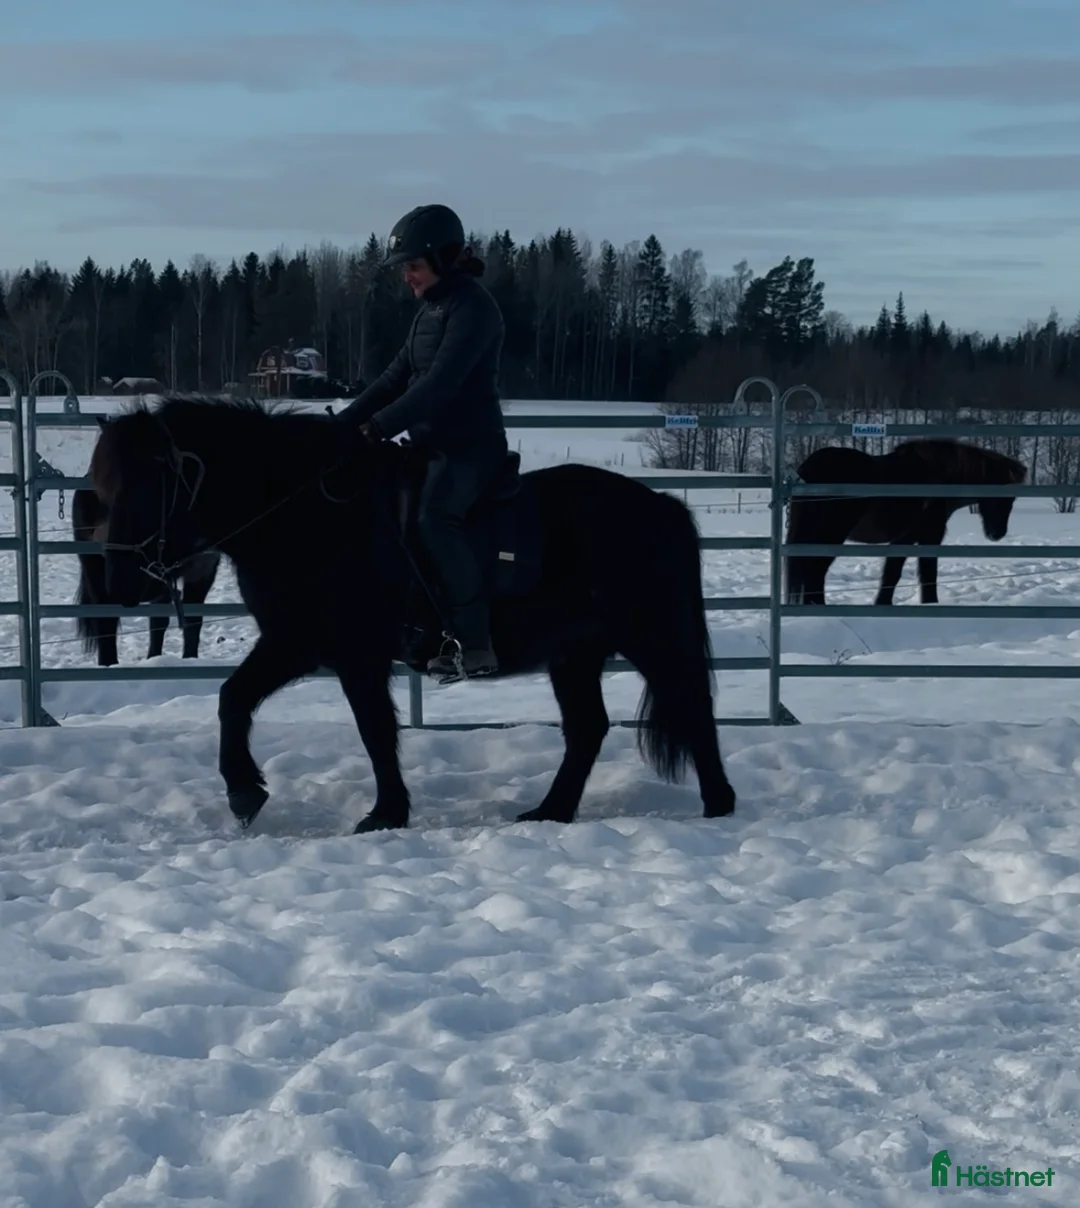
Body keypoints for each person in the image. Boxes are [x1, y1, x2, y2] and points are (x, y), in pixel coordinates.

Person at [336, 203, 509, 680]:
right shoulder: (430, 311)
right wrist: (341, 429)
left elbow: (440, 385)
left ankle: (473, 642)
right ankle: (414, 626)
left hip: (470, 449)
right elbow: (395, 378)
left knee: (435, 519)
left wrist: (378, 428)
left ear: (443, 258)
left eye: (412, 266)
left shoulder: (475, 310)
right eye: (404, 268)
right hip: (429, 447)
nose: (406, 277)